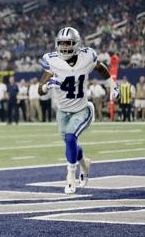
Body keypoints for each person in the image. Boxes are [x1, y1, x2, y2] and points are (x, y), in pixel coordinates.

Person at [38, 27, 119, 194]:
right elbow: (40, 89)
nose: (65, 47)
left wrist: (113, 85)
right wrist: (47, 86)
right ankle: (84, 163)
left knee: (70, 138)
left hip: (83, 110)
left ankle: (70, 178)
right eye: (61, 44)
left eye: (68, 43)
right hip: (63, 112)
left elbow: (100, 67)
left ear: (77, 44)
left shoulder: (86, 57)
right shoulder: (52, 61)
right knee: (71, 143)